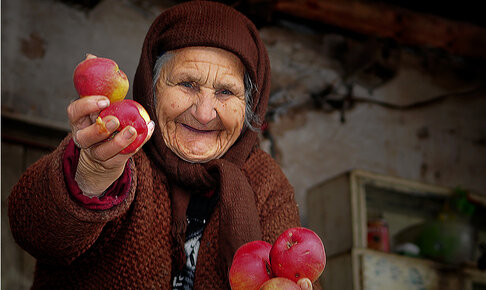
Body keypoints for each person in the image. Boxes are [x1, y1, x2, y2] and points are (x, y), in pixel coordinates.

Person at [8, 1, 315, 289]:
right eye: (187, 84)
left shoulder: (266, 183)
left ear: (250, 105)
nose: (204, 113)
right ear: (151, 88)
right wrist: (90, 176)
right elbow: (35, 232)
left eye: (225, 92)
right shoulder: (117, 147)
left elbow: (296, 271)